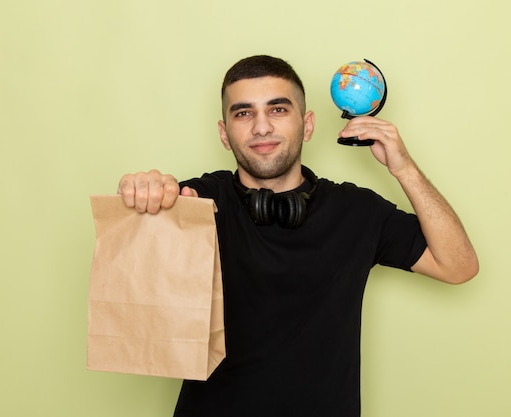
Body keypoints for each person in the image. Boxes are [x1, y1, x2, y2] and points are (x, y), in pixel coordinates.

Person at [118, 55, 479, 417]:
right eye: (243, 113)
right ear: (224, 134)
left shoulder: (358, 211)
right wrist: (147, 191)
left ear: (307, 126)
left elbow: (458, 266)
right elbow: (152, 218)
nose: (261, 127)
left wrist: (405, 168)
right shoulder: (200, 202)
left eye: (277, 110)